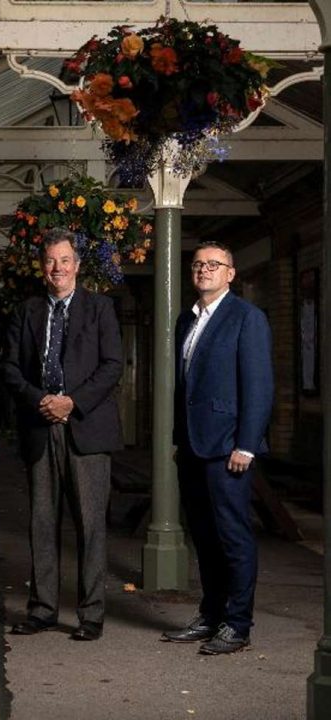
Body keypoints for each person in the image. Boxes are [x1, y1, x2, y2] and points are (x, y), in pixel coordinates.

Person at [4, 227, 123, 641]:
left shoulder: (100, 308)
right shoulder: (28, 311)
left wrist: (71, 401)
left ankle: (91, 615)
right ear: (42, 267)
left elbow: (112, 365)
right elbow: (11, 370)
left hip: (86, 429)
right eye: (51, 260)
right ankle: (42, 610)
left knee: (91, 526)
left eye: (65, 260)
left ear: (77, 265)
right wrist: (42, 400)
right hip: (41, 427)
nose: (58, 268)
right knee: (42, 523)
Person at [161, 241, 273, 655]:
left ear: (231, 273)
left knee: (233, 537)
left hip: (229, 448)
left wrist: (247, 444)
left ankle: (237, 625)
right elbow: (184, 388)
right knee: (204, 537)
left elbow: (259, 386)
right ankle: (210, 616)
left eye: (214, 264)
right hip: (193, 447)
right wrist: (179, 440)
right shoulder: (186, 321)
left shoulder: (247, 318)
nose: (204, 270)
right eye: (198, 264)